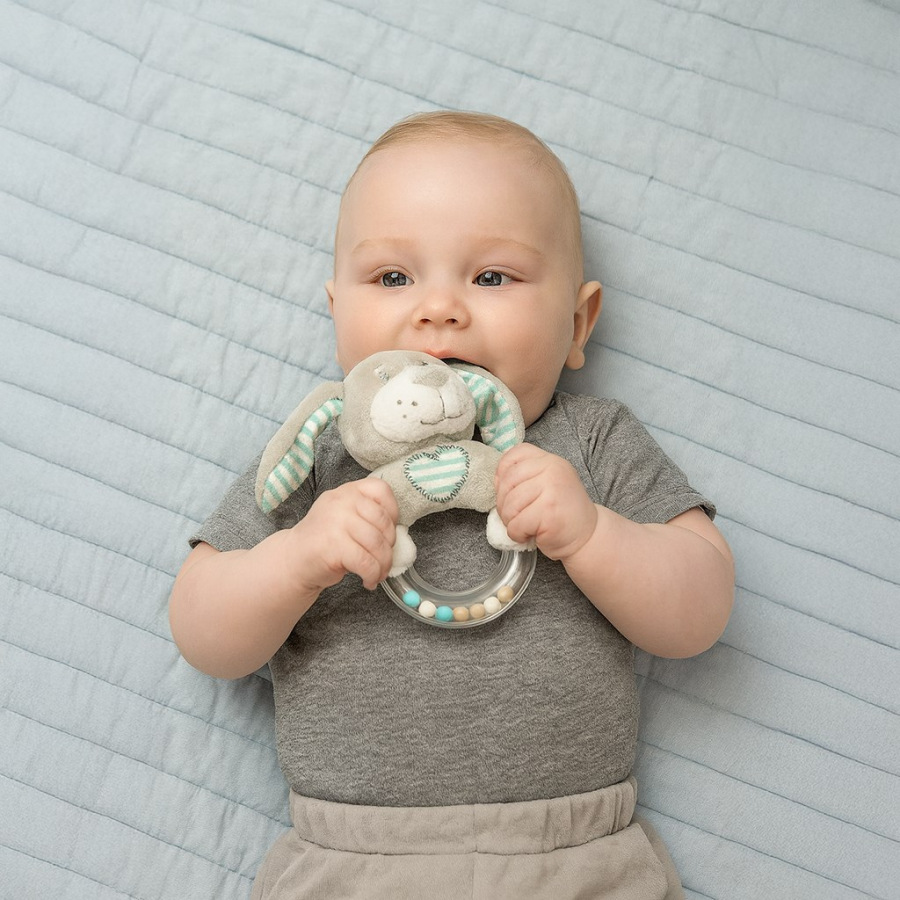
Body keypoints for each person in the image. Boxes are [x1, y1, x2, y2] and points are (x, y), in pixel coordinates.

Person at [169, 111, 734, 899]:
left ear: (578, 322)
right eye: (392, 278)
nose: (439, 310)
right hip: (352, 864)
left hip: (573, 858)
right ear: (337, 313)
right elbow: (201, 629)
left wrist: (591, 534)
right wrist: (297, 559)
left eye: (492, 277)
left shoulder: (590, 442)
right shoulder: (318, 456)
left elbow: (701, 610)